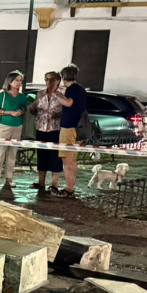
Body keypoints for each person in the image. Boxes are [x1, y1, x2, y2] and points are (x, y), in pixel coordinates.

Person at [0, 71, 27, 190]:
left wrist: (21, 112)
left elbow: (24, 109)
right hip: (4, 125)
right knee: (0, 152)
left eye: (20, 80)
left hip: (17, 125)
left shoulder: (22, 96)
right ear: (10, 82)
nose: (19, 83)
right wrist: (9, 112)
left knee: (12, 153)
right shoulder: (3, 95)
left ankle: (9, 177)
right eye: (17, 80)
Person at [54, 64, 87, 199]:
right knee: (72, 160)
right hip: (78, 128)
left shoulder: (72, 89)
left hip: (69, 127)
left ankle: (68, 189)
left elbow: (68, 103)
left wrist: (56, 94)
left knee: (67, 160)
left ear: (63, 77)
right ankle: (70, 187)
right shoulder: (81, 89)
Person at [29, 71, 64, 192]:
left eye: (51, 79)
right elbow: (33, 111)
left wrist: (58, 115)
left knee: (55, 157)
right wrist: (32, 105)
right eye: (46, 79)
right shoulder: (40, 93)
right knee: (42, 155)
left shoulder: (62, 94)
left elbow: (67, 111)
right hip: (41, 128)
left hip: (56, 129)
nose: (48, 82)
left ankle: (54, 184)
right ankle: (41, 182)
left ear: (58, 81)